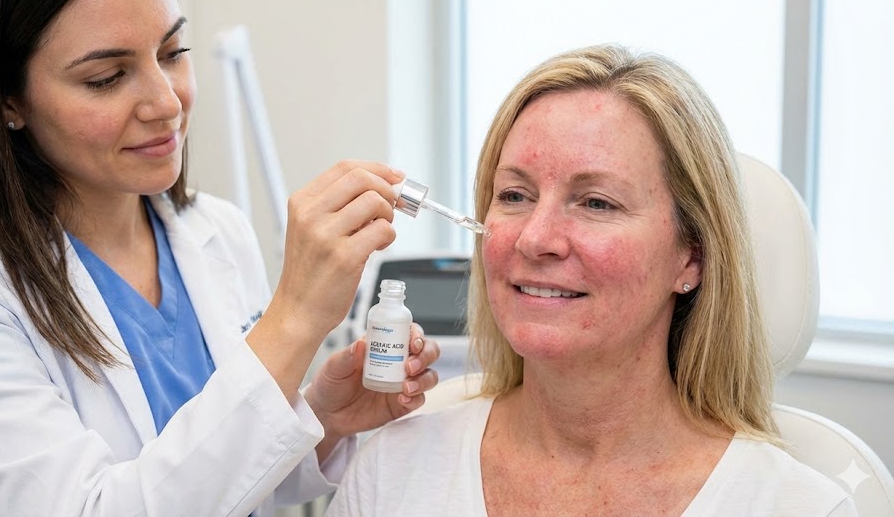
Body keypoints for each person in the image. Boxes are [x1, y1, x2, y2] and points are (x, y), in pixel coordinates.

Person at [0, 0, 441, 515]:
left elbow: (227, 480)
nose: (167, 102)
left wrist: (324, 418)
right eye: (106, 78)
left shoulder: (216, 231)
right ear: (6, 99)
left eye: (172, 53)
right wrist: (294, 320)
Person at [325, 44, 857, 516]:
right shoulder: (392, 472)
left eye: (596, 203)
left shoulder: (800, 506)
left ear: (691, 258)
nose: (535, 238)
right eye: (514, 195)